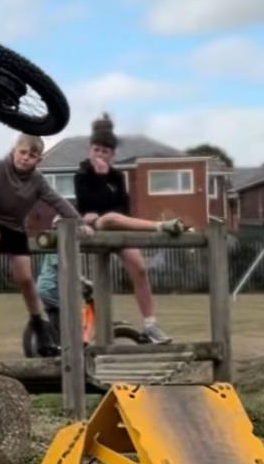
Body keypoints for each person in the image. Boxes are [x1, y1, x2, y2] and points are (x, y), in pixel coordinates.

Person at [70, 114, 186, 344]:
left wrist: (106, 185)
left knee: (140, 269)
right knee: (109, 218)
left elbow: (123, 206)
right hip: (95, 226)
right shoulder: (81, 175)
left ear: (112, 155)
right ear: (89, 150)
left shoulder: (117, 177)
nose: (100, 155)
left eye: (105, 151)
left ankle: (151, 325)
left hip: (117, 225)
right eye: (96, 150)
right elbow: (86, 205)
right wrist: (100, 181)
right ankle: (160, 226)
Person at [0, 134, 80, 355]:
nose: (26, 158)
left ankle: (38, 321)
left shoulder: (37, 180)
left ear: (38, 160)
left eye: (32, 155)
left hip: (16, 228)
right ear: (14, 151)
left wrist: (79, 222)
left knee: (26, 278)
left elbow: (56, 200)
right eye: (23, 152)